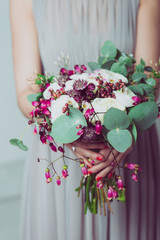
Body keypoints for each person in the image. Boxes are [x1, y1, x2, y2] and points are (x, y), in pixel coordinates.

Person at [10, 0, 160, 239]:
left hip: (129, 147)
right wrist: (65, 131)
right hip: (61, 157)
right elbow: (25, 92)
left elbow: (150, 84)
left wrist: (123, 139)